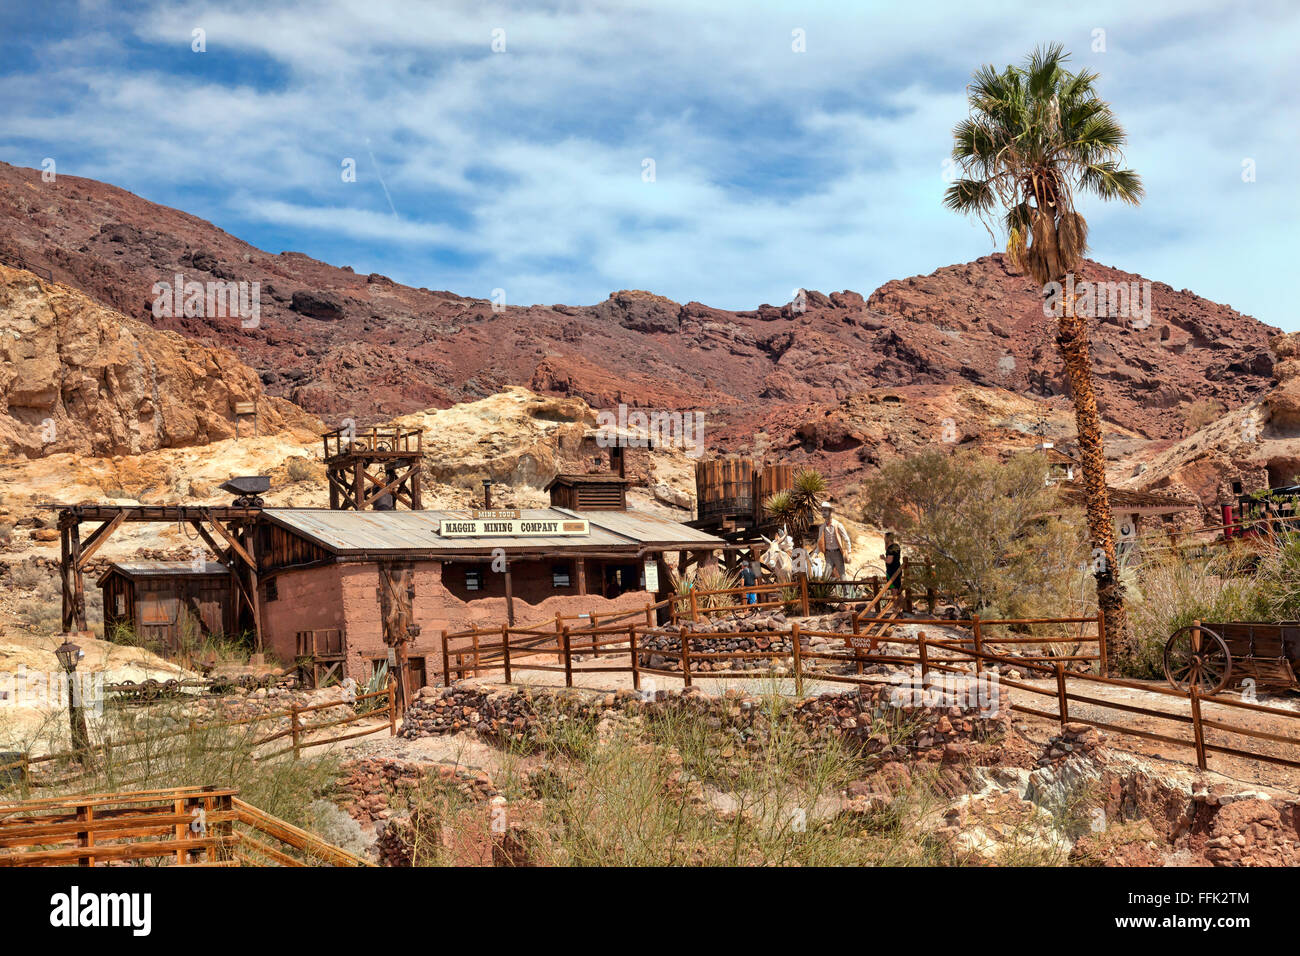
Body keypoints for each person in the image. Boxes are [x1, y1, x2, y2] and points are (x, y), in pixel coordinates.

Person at [813, 502, 851, 578]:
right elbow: (819, 544)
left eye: (825, 510)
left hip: (838, 554)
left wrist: (849, 552)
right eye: (822, 511)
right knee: (826, 577)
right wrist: (814, 555)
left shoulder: (838, 525)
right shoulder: (822, 528)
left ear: (830, 512)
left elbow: (846, 539)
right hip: (828, 555)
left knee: (842, 575)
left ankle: (847, 590)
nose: (823, 513)